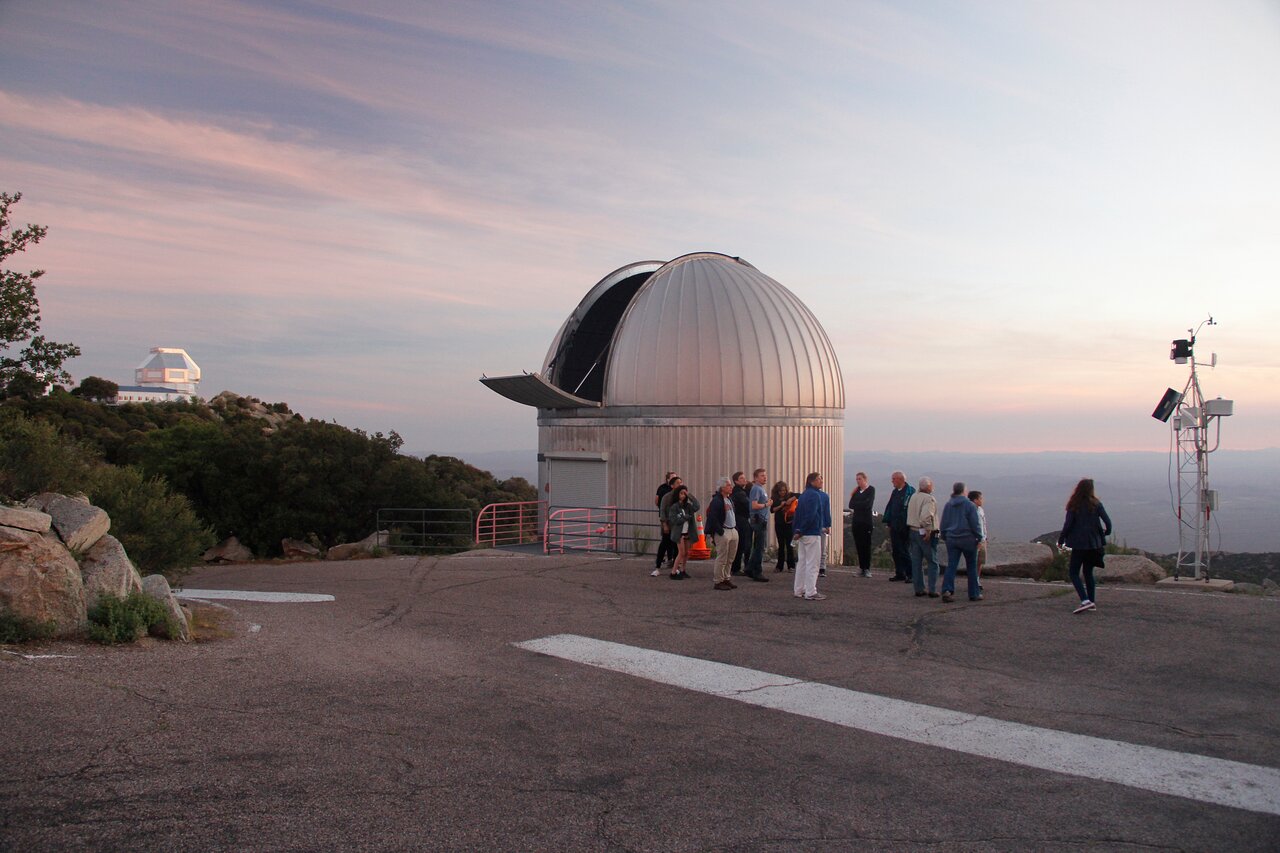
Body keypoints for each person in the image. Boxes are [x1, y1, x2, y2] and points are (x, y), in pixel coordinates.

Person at [1057, 478, 1113, 614]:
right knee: (1088, 572)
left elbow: (1068, 525)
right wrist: (1105, 533)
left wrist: (1061, 539)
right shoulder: (1096, 504)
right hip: (1094, 545)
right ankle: (1091, 602)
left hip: (1079, 544)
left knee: (1074, 572)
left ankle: (1085, 600)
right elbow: (1108, 522)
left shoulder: (1074, 505)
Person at [940, 481, 983, 603]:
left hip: (952, 539)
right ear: (964, 491)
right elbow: (975, 524)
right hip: (968, 539)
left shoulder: (949, 505)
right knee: (971, 566)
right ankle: (974, 593)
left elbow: (943, 523)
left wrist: (944, 536)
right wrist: (979, 537)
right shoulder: (969, 505)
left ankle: (947, 590)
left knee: (952, 565)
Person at [791, 472, 832, 601]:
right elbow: (811, 515)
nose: (821, 481)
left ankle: (799, 589)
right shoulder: (815, 496)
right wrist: (802, 529)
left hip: (803, 534)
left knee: (802, 562)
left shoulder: (803, 495)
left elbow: (798, 514)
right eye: (819, 479)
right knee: (813, 563)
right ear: (811, 481)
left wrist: (797, 531)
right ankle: (810, 591)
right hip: (812, 532)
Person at [704, 477, 740, 591]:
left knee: (730, 558)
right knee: (722, 558)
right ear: (722, 488)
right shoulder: (717, 501)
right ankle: (718, 581)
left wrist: (735, 529)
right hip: (724, 531)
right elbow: (712, 517)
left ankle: (726, 578)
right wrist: (720, 531)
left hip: (732, 530)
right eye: (729, 485)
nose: (731, 487)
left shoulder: (729, 499)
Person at [906, 476, 939, 598]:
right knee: (932, 561)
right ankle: (932, 589)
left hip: (913, 531)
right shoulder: (929, 499)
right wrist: (928, 530)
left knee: (916, 561)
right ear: (929, 486)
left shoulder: (914, 496)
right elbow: (925, 517)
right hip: (924, 532)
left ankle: (919, 588)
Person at [882, 471, 915, 582]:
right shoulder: (895, 492)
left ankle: (911, 574)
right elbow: (890, 507)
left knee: (904, 550)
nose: (892, 481)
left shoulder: (910, 492)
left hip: (905, 527)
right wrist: (889, 522)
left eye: (894, 479)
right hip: (894, 526)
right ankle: (900, 573)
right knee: (896, 550)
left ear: (901, 479)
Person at [663, 484, 700, 580]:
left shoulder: (688, 506)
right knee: (681, 553)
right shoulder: (674, 507)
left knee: (687, 553)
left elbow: (697, 506)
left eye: (685, 494)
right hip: (679, 533)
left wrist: (690, 496)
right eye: (681, 493)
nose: (683, 495)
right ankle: (673, 572)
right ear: (677, 494)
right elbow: (674, 520)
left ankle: (683, 570)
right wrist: (685, 517)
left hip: (687, 532)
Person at [744, 467, 771, 582]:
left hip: (761, 519)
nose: (765, 477)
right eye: (762, 476)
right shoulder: (756, 489)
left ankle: (750, 567)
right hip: (758, 519)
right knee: (760, 546)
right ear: (755, 478)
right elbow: (754, 505)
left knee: (759, 546)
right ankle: (757, 571)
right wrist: (766, 504)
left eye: (765, 475)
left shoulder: (761, 489)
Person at [848, 472, 876, 577]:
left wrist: (858, 504)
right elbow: (851, 504)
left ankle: (867, 568)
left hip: (866, 522)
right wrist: (860, 504)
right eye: (857, 479)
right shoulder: (856, 491)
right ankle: (861, 567)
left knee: (866, 545)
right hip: (856, 522)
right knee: (859, 545)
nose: (858, 481)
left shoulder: (871, 490)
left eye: (859, 479)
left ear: (865, 479)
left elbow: (868, 504)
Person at [653, 472, 678, 576]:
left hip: (676, 522)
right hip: (667, 521)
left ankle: (675, 565)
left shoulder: (679, 493)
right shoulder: (664, 491)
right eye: (674, 479)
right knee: (665, 542)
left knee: (676, 544)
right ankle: (658, 565)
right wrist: (664, 523)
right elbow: (660, 505)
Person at [770, 480, 797, 573]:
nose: (783, 492)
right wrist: (781, 506)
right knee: (781, 545)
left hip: (789, 523)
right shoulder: (774, 499)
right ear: (777, 491)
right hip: (779, 524)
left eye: (784, 490)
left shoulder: (789, 495)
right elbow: (772, 510)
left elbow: (799, 495)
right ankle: (779, 566)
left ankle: (791, 566)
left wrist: (791, 499)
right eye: (781, 491)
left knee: (790, 545)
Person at [729, 472, 751, 575]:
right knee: (741, 544)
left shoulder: (740, 491)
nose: (744, 479)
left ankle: (736, 567)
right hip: (741, 520)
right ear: (736, 481)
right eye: (741, 478)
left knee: (741, 544)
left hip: (739, 519)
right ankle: (736, 568)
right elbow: (749, 505)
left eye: (744, 477)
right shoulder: (739, 493)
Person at [969, 490, 987, 592]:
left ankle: (977, 580)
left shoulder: (981, 510)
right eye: (980, 498)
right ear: (975, 500)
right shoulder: (970, 510)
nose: (982, 500)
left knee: (980, 561)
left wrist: (985, 536)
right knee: (973, 561)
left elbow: (983, 523)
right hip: (975, 539)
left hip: (982, 538)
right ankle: (973, 583)